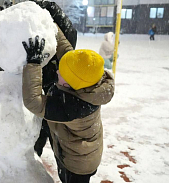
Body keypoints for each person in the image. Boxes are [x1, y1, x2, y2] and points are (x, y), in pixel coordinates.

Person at [22, 36, 115, 183]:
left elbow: (33, 102)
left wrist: (33, 64)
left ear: (71, 84)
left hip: (77, 165)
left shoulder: (72, 108)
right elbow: (66, 52)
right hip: (81, 152)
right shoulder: (86, 81)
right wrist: (51, 23)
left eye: (62, 73)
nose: (58, 72)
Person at [32, 0, 77, 157]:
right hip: (41, 97)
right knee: (34, 141)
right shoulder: (34, 36)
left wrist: (51, 8)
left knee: (60, 144)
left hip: (55, 98)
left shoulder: (61, 45)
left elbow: (69, 38)